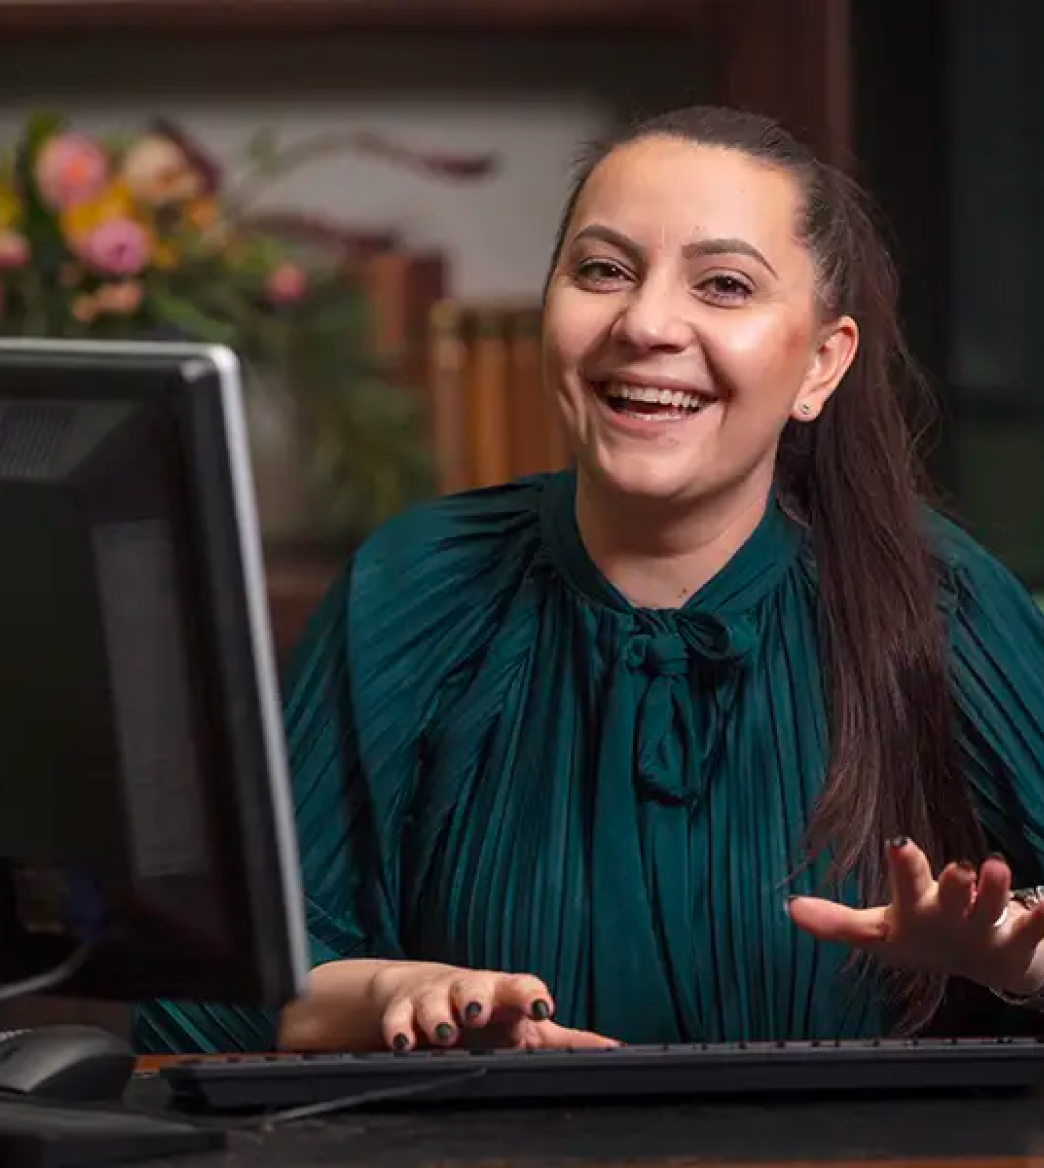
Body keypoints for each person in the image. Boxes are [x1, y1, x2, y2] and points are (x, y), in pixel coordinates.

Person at [136, 105, 1044, 1055]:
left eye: (724, 285)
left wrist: (1017, 963)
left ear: (822, 364)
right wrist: (391, 997)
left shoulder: (941, 598)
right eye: (603, 270)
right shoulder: (412, 588)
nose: (646, 323)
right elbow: (205, 992)